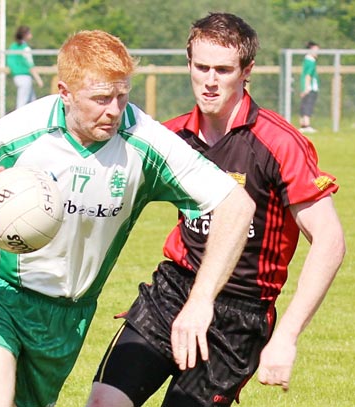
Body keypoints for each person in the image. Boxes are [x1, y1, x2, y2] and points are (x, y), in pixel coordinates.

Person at [0, 29, 255, 407]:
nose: (113, 110)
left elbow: (237, 205)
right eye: (99, 99)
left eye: (122, 95)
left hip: (68, 316)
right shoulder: (25, 131)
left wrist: (201, 300)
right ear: (64, 92)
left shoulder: (144, 140)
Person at [87, 13, 345, 407]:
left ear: (247, 71)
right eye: (201, 66)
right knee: (105, 402)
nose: (210, 80)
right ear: (188, 64)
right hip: (173, 291)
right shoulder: (171, 137)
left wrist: (286, 338)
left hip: (240, 313)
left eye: (223, 70)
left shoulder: (279, 143)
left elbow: (329, 240)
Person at [7, 25, 44, 109]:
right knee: (22, 103)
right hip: (25, 77)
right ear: (24, 35)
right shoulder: (25, 48)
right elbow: (30, 65)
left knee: (32, 101)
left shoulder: (13, 47)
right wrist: (38, 79)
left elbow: (9, 62)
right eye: (29, 33)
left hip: (16, 76)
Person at [299, 41, 320, 133]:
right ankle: (306, 125)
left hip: (306, 87)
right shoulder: (311, 61)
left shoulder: (306, 60)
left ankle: (303, 124)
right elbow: (308, 76)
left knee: (304, 105)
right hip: (310, 88)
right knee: (308, 105)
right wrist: (307, 88)